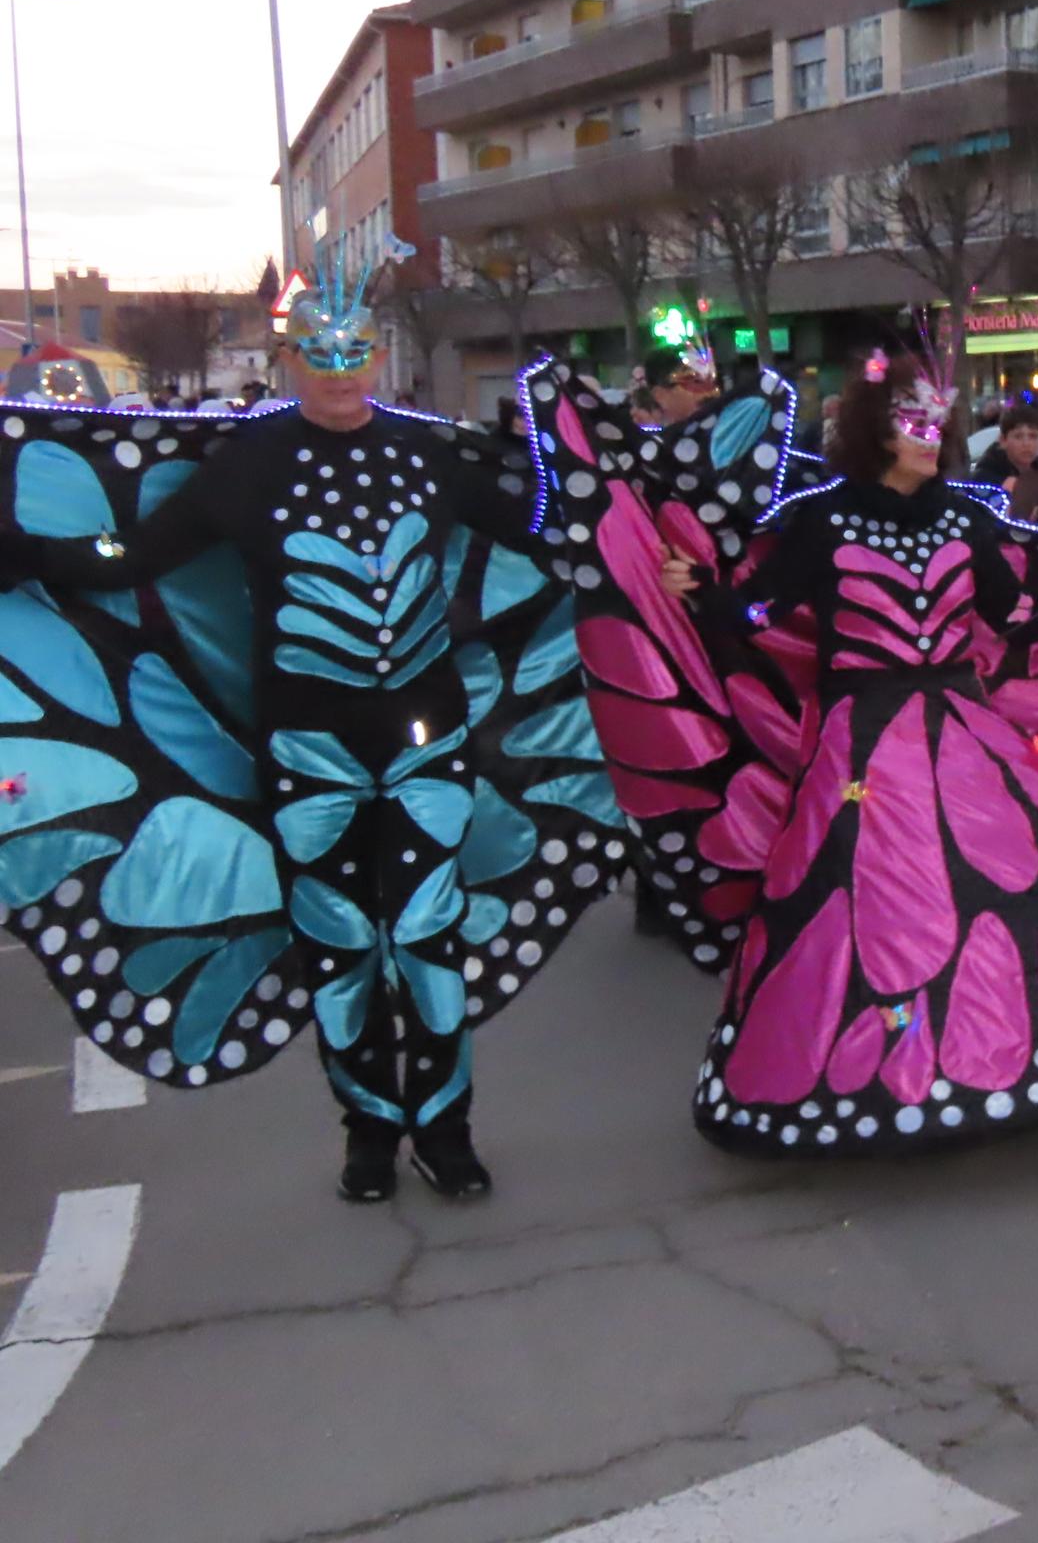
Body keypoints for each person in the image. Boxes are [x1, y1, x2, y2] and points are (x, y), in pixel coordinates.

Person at [0, 278, 607, 1204]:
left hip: (424, 742)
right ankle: (368, 1133)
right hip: (307, 753)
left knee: (426, 937)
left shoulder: (424, 454)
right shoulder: (250, 462)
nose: (337, 370)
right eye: (316, 354)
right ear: (288, 360)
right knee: (339, 945)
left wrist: (650, 539)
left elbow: (541, 527)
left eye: (352, 350)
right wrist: (34, 556)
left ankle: (445, 1131)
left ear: (374, 354)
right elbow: (138, 558)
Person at [653, 353, 1038, 1154]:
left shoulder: (965, 517)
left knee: (1021, 888)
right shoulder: (818, 519)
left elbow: (1019, 613)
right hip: (862, 746)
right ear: (876, 434)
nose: (933, 439)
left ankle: (1036, 1049)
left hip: (967, 730)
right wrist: (698, 592)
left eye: (937, 424)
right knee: (878, 911)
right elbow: (757, 617)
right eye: (914, 425)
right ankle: (885, 1076)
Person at [972, 403, 1038, 519]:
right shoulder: (984, 477)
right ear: (1003, 441)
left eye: (1033, 436)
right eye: (1018, 436)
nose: (1026, 444)